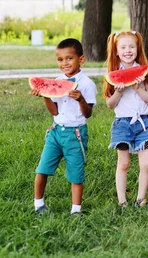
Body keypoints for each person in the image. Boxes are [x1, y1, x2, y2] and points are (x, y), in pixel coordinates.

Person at [31, 38, 97, 214]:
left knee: (76, 174)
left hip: (75, 134)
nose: (64, 63)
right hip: (55, 132)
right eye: (60, 59)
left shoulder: (87, 84)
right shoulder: (57, 80)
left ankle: (76, 210)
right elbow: (54, 111)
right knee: (42, 168)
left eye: (69, 58)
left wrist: (81, 99)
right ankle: (38, 204)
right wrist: (45, 94)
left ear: (81, 59)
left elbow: (88, 113)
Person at [104, 31, 148, 207]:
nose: (128, 50)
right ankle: (122, 201)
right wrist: (119, 91)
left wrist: (138, 88)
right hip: (122, 124)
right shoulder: (113, 73)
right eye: (123, 47)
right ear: (116, 51)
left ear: (138, 49)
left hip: (144, 122)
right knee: (124, 163)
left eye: (131, 46)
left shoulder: (144, 71)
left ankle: (141, 199)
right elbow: (109, 104)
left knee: (147, 163)